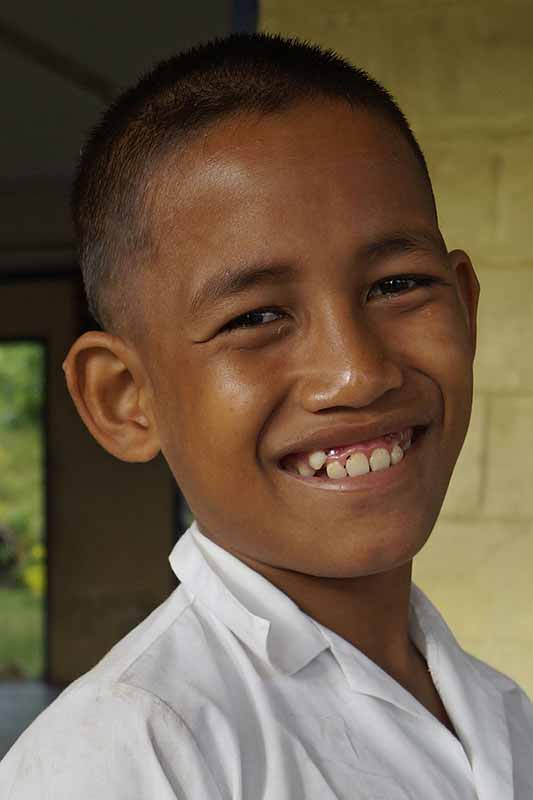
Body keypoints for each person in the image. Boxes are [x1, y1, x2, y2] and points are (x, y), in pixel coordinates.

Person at [1, 31, 532, 799]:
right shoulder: (131, 752)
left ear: (465, 310)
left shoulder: (498, 717)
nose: (356, 372)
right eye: (255, 319)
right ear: (124, 398)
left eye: (396, 285)